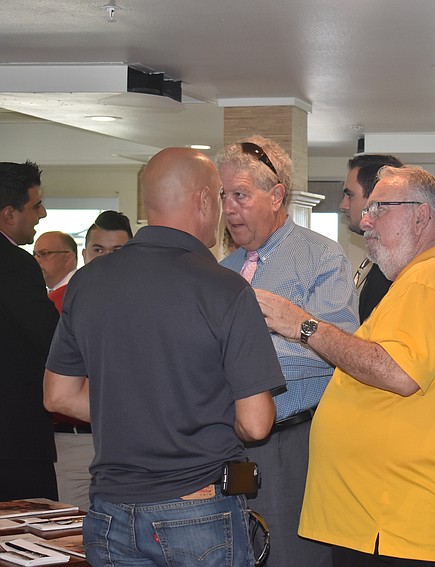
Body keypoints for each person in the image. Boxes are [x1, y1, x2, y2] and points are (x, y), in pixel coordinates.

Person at [43, 147, 284, 566]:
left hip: (110, 510)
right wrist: (187, 414)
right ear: (203, 201)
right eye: (221, 197)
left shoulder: (87, 283)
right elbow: (256, 421)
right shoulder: (225, 289)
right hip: (197, 507)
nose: (225, 209)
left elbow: (58, 397)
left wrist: (140, 413)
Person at [254, 165, 435, 566]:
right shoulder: (425, 279)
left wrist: (303, 325)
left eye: (380, 208)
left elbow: (397, 371)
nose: (365, 220)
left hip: (397, 522)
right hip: (387, 520)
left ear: (421, 216)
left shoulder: (429, 281)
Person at [217, 135, 359, 567]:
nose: (228, 208)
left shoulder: (321, 258)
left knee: (294, 556)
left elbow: (337, 350)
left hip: (293, 441)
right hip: (227, 442)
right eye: (224, 196)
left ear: (276, 195)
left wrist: (238, 364)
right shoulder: (222, 269)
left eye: (240, 195)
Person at [51, 210, 133, 510]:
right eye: (98, 250)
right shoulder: (55, 304)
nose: (105, 258)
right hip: (73, 440)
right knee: (70, 542)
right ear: (84, 253)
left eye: (117, 251)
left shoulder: (148, 303)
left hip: (131, 442)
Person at [0, 160, 59, 501]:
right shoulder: (15, 264)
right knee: (30, 540)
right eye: (36, 205)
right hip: (14, 437)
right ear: (9, 213)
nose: (44, 214)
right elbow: (51, 337)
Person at [339, 154, 402, 321]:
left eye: (349, 195)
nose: (343, 205)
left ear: (376, 196)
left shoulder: (393, 270)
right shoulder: (379, 260)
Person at [34, 230, 77, 295]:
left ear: (68, 258)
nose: (36, 260)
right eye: (34, 254)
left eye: (44, 253)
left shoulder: (79, 290)